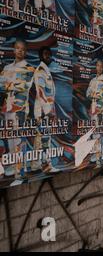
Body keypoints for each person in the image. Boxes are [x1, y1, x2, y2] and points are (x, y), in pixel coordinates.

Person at [0, 39, 35, 180]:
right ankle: (13, 166)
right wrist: (10, 84)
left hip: (19, 109)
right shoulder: (7, 68)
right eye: (17, 48)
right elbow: (1, 85)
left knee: (19, 139)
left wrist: (8, 83)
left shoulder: (29, 69)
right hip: (7, 108)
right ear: (14, 50)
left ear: (25, 51)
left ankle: (20, 171)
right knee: (9, 138)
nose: (19, 51)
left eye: (22, 49)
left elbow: (23, 86)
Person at [32, 46, 59, 173]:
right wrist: (48, 111)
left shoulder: (45, 70)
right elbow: (41, 92)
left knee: (41, 138)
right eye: (45, 54)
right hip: (43, 111)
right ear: (40, 56)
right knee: (44, 138)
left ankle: (36, 165)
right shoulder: (41, 71)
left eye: (49, 54)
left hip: (45, 110)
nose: (48, 56)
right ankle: (46, 165)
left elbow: (49, 95)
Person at [86, 60, 103, 166]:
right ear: (96, 67)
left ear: (102, 68)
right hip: (92, 109)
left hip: (99, 109)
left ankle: (98, 157)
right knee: (93, 132)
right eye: (97, 65)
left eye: (101, 66)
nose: (99, 67)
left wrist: (93, 94)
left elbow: (101, 95)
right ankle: (96, 154)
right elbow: (87, 94)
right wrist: (94, 94)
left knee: (97, 133)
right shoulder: (93, 80)